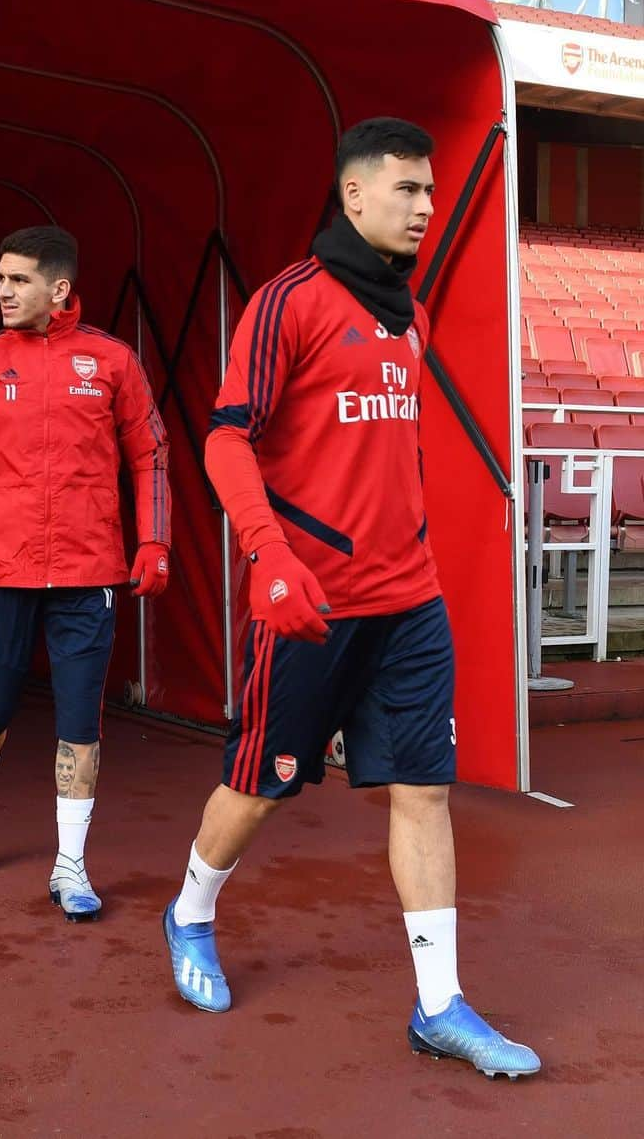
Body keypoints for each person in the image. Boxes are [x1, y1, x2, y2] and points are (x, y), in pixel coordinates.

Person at [161, 118, 540, 1079]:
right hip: (306, 599)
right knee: (260, 786)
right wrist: (270, 556)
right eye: (408, 190)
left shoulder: (409, 312)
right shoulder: (288, 302)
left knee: (423, 788)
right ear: (355, 195)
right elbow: (224, 438)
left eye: (430, 191)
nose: (425, 207)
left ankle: (441, 1004)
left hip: (409, 599)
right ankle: (191, 911)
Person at [0, 226, 171, 920]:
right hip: (4, 568)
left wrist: (154, 541)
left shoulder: (113, 360)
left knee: (80, 720)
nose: (2, 290)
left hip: (91, 571)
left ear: (58, 287)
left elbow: (150, 451)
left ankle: (70, 866)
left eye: (18, 279)